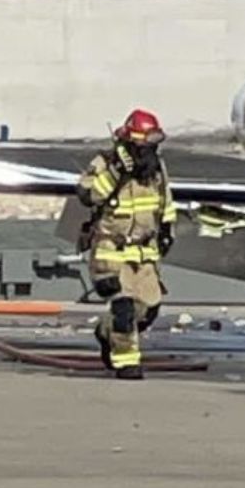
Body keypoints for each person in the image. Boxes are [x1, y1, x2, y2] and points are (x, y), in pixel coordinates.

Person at [76, 109, 178, 380]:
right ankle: (125, 362)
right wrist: (116, 172)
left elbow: (164, 200)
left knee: (149, 308)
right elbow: (88, 194)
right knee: (124, 309)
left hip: (144, 251)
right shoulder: (106, 162)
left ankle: (106, 331)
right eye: (147, 144)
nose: (151, 151)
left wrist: (167, 229)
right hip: (111, 250)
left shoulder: (156, 168)